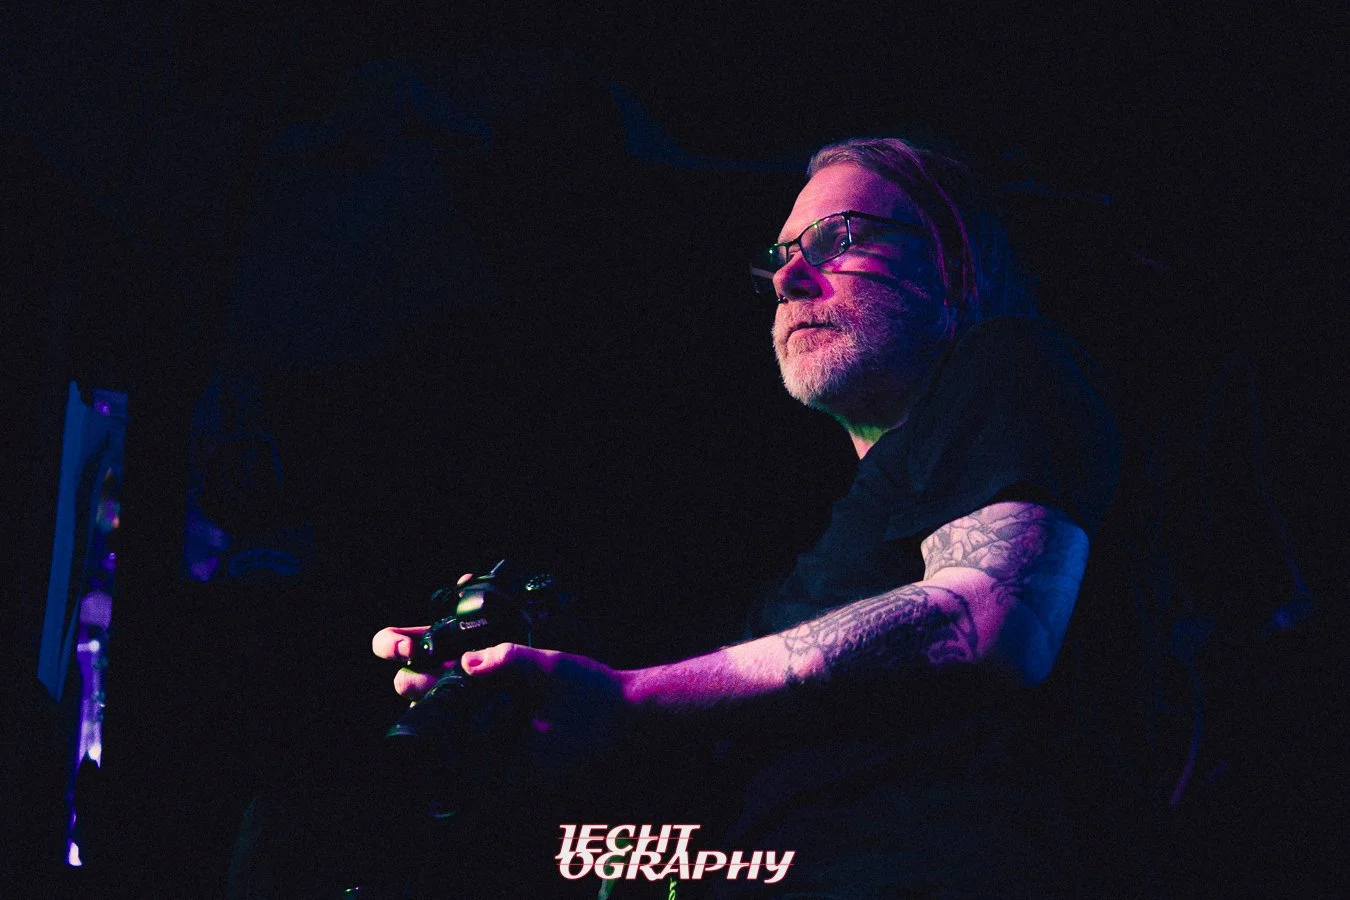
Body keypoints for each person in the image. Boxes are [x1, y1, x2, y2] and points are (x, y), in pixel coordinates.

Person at [374, 136, 1121, 897]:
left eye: (838, 239)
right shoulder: (837, 551)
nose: (788, 278)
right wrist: (523, 695)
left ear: (953, 265)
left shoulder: (1010, 359)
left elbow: (995, 620)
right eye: (780, 257)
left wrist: (631, 699)